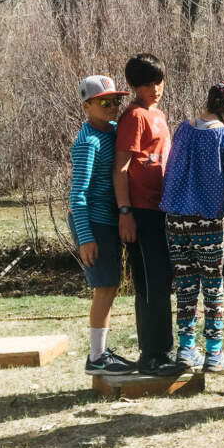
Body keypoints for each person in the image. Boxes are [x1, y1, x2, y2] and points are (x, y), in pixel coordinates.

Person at [160, 81, 224, 371]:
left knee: (186, 285)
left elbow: (170, 170)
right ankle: (214, 352)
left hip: (175, 221)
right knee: (213, 286)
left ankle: (186, 350)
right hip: (206, 221)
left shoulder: (184, 130)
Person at [114, 53, 177, 376]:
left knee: (163, 279)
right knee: (150, 282)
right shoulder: (134, 117)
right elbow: (121, 167)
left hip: (162, 208)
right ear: (133, 86)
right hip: (140, 211)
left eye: (158, 82)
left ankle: (164, 349)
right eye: (146, 84)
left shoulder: (159, 115)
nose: (154, 88)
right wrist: (125, 212)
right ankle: (152, 355)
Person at [69, 75, 136, 375]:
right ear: (87, 106)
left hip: (108, 220)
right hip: (93, 221)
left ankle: (102, 352)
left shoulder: (112, 131)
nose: (112, 107)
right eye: (104, 102)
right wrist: (85, 237)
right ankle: (96, 357)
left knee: (110, 285)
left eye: (115, 101)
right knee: (104, 286)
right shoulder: (87, 143)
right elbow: (77, 194)